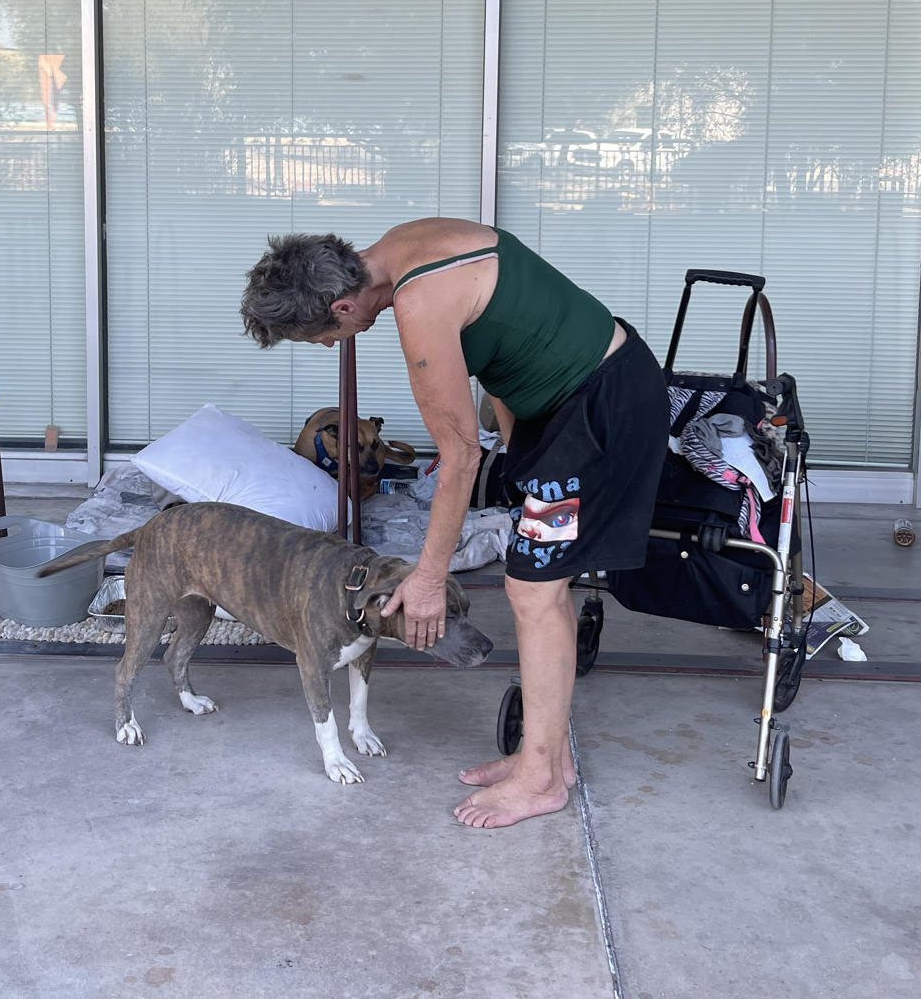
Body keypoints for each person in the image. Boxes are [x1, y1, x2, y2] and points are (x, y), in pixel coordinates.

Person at [240, 219, 668, 828]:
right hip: (572, 405)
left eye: (323, 337)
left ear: (341, 305)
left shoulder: (419, 304)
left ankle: (542, 781)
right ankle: (547, 756)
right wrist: (526, 466)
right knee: (540, 586)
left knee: (531, 591)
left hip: (601, 412)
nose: (332, 346)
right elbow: (511, 343)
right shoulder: (401, 242)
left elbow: (460, 457)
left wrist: (428, 578)